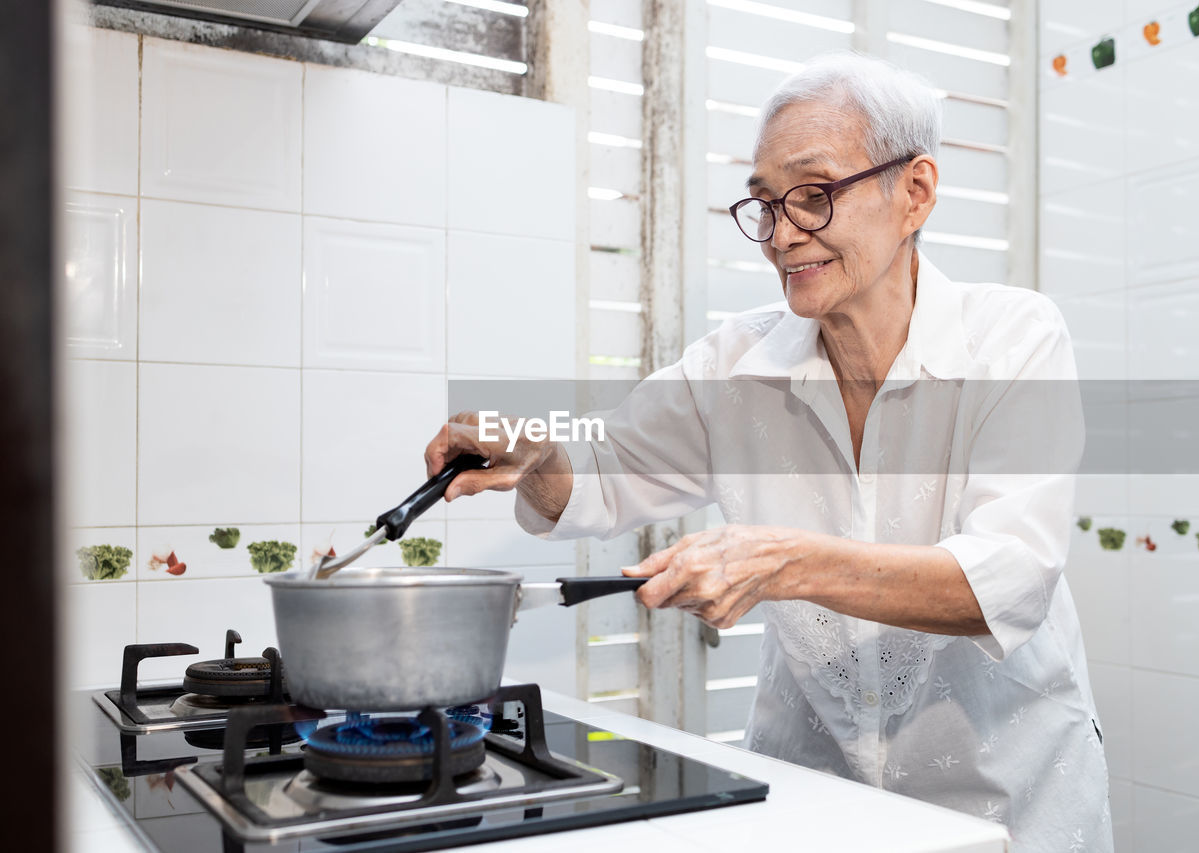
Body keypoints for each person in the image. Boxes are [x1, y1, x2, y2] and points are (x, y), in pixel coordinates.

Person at [425, 51, 1110, 852]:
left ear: (914, 192)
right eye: (764, 204)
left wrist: (780, 562)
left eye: (814, 197)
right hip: (813, 802)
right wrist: (543, 454)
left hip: (1004, 806)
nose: (782, 235)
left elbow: (1010, 577)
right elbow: (601, 478)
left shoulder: (1012, 339)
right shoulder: (735, 364)